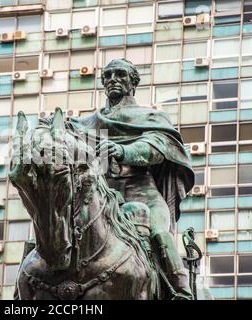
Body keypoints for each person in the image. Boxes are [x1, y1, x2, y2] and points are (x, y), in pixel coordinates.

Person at [68, 58, 195, 300]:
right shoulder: (87, 123)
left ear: (133, 82)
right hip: (100, 195)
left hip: (142, 192)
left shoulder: (150, 117)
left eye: (120, 74)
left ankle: (181, 290)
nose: (113, 79)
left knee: (159, 233)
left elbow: (157, 147)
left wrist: (124, 151)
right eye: (107, 75)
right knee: (57, 234)